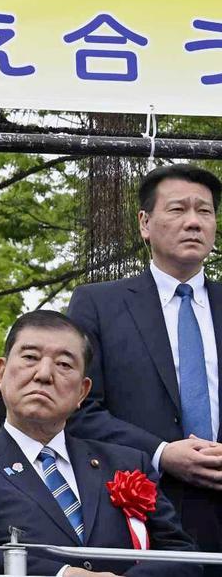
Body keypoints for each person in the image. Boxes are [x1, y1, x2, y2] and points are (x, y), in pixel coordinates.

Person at [0, 311, 199, 576]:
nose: (44, 374)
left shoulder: (128, 464)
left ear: (83, 391)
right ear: (0, 373)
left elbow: (183, 557)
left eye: (64, 364)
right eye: (30, 357)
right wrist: (63, 574)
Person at [66, 164, 222, 566]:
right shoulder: (99, 304)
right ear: (145, 223)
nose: (193, 222)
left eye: (204, 212)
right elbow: (79, 411)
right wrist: (161, 452)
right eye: (177, 210)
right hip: (139, 512)